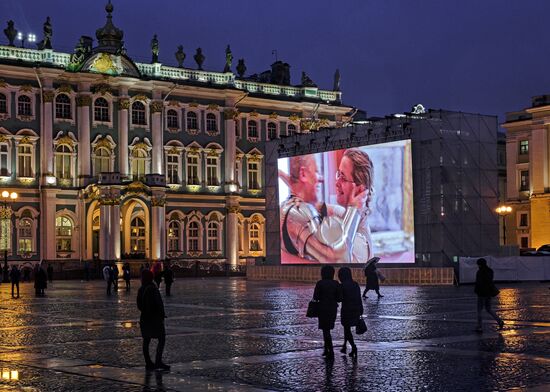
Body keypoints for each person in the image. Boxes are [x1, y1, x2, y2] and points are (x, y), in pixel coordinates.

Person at [280, 154, 367, 263]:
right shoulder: (299, 213)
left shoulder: (291, 206)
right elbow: (339, 259)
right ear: (303, 174)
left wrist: (284, 176)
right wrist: (354, 210)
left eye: (343, 177)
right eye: (316, 171)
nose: (320, 178)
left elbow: (300, 187)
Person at [137, 269, 170, 371]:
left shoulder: (141, 288)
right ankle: (158, 361)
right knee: (161, 338)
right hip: (154, 319)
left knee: (146, 340)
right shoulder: (152, 288)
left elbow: (139, 305)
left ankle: (148, 362)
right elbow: (158, 303)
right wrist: (161, 314)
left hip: (144, 318)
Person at [313, 265, 341, 359]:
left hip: (322, 308)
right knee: (328, 329)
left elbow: (315, 297)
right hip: (333, 308)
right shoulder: (336, 283)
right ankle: (327, 349)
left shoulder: (320, 283)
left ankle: (330, 350)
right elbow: (339, 298)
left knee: (325, 330)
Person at [338, 267, 363, 358]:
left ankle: (353, 347)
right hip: (356, 308)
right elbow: (359, 297)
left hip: (346, 309)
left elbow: (340, 299)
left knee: (347, 329)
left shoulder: (342, 285)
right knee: (347, 329)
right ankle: (344, 345)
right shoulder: (355, 284)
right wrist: (361, 310)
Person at [474, 258, 504, 332]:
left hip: (481, 293)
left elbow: (479, 283)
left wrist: (476, 291)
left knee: (479, 310)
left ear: (479, 264)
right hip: (489, 293)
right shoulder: (490, 271)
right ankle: (499, 321)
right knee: (489, 309)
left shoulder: (480, 272)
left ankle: (479, 326)